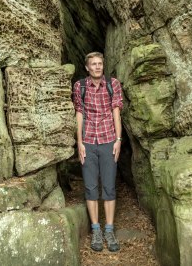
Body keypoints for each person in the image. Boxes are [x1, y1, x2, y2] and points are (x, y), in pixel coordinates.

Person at [72, 52, 123, 252]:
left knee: (109, 187)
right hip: (88, 142)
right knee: (91, 187)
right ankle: (96, 230)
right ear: (87, 67)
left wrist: (118, 140)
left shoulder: (113, 84)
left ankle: (109, 230)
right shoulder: (80, 86)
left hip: (109, 140)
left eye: (100, 63)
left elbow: (116, 112)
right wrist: (80, 143)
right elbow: (79, 114)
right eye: (93, 64)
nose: (97, 67)